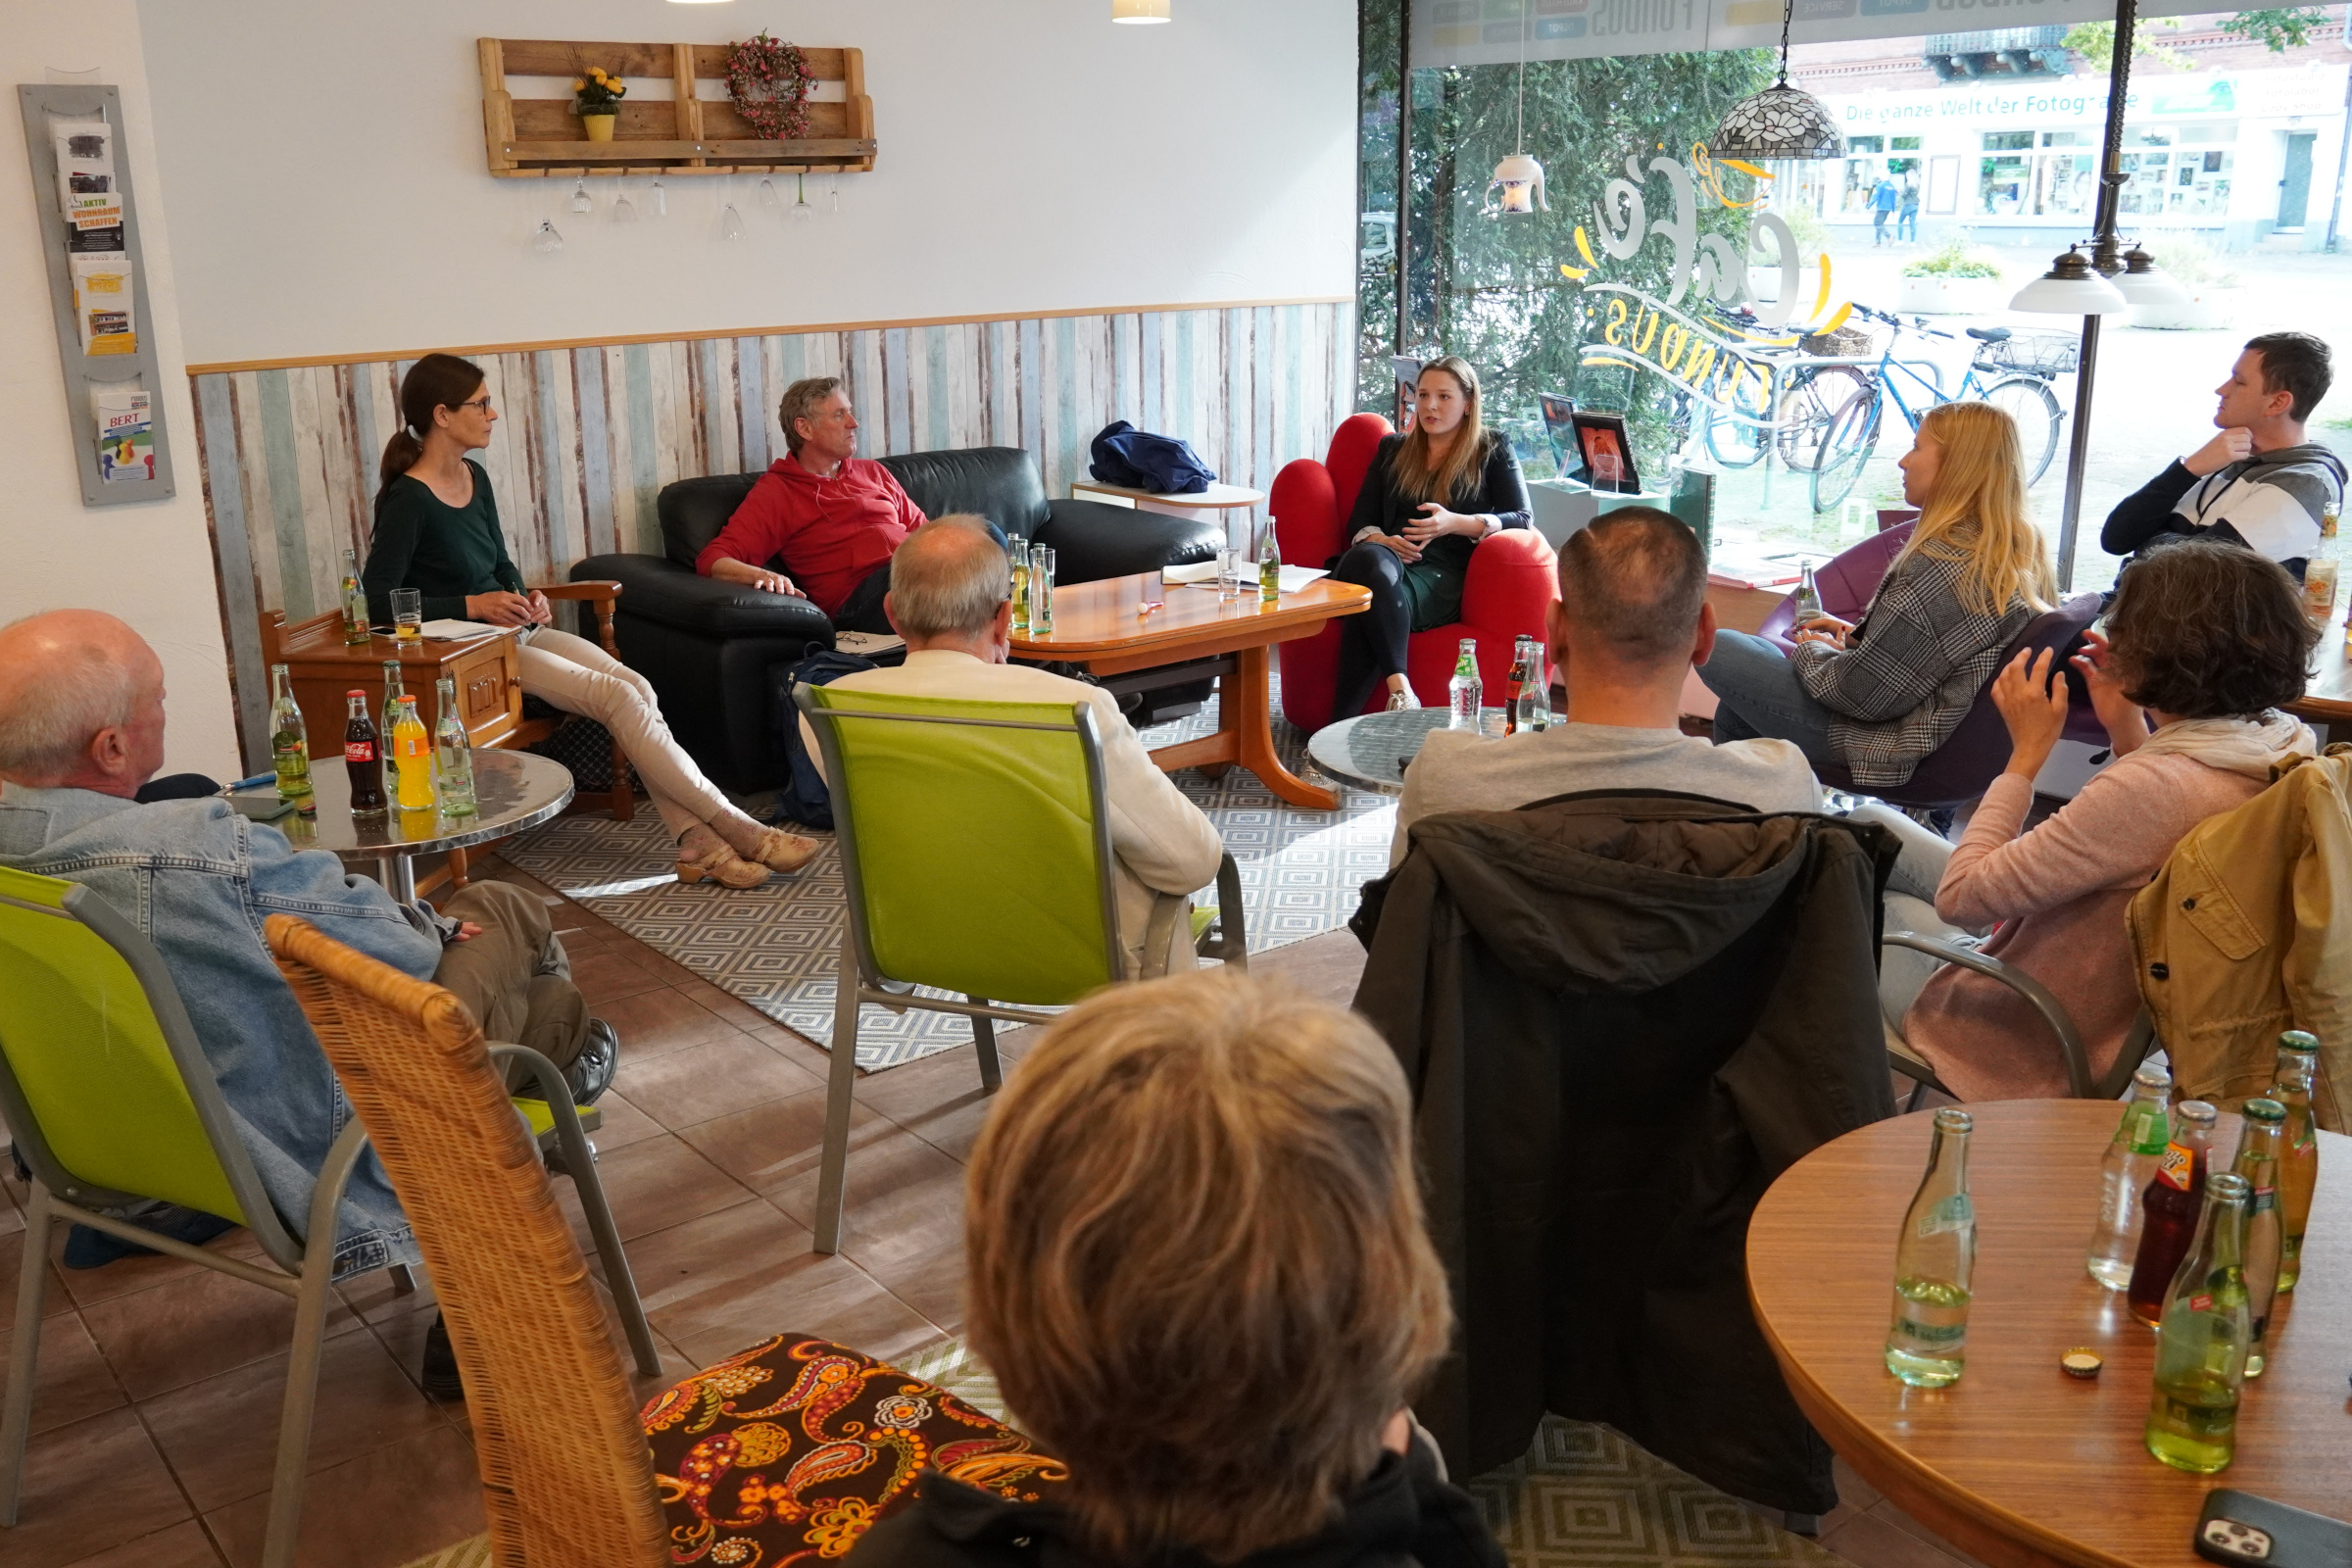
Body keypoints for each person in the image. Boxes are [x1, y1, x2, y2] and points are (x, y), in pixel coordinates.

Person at [0, 611, 616, 1283]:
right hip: (306, 1155)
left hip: (119, 1157)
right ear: (111, 748)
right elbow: (396, 950)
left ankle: (562, 1055)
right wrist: (424, 923)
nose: (165, 711)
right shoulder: (201, 851)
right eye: (159, 699)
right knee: (505, 915)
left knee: (526, 997)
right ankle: (558, 1080)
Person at [852, 970, 1502, 1568]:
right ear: (1403, 1304)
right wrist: (1412, 1484)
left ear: (1002, 1331)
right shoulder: (1432, 1524)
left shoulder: (906, 1553)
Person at [1872, 539, 2318, 1101]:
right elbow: (2153, 832)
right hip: (2077, 981)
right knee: (1871, 827)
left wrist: (2025, 756)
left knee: (1851, 901)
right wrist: (2126, 728)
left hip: (2019, 1033)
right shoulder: (2279, 744)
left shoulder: (2153, 788)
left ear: (2155, 652)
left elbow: (1962, 898)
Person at [363, 353, 815, 890]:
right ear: (442, 413)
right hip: (473, 656)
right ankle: (739, 828)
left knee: (637, 687)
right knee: (619, 698)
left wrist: (524, 593)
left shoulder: (473, 476)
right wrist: (471, 605)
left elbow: (498, 561)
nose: (493, 413)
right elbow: (377, 603)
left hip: (516, 631)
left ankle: (696, 842)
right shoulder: (410, 499)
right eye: (482, 403)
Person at [807, 517, 1223, 978]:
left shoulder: (827, 710)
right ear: (1004, 618)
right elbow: (1193, 861)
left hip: (916, 942)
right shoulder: (1077, 709)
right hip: (1084, 957)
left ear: (892, 613)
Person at [1393, 509, 1818, 865]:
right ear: (1706, 636)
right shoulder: (1783, 789)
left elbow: (1405, 942)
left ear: (1554, 633)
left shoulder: (1445, 779)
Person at [1697, 400, 2056, 791]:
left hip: (1892, 743)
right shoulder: (2010, 550)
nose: (1903, 461)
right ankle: (1760, 824)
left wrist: (1813, 648)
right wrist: (1859, 637)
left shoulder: (1943, 563)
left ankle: (1752, 827)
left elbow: (1863, 696)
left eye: (1917, 448)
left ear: (1958, 465)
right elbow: (1942, 652)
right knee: (1736, 710)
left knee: (1720, 646)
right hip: (1945, 734)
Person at [1327, 356, 1532, 723]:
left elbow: (1522, 518)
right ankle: (1401, 692)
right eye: (1422, 395)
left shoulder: (1492, 449)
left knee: (1367, 605)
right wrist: (1384, 540)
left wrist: (1456, 523)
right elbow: (1360, 520)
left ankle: (1327, 741)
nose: (1429, 406)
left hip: (1441, 575)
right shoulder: (1393, 449)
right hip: (1384, 562)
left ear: (1468, 404)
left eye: (1443, 396)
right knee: (1368, 560)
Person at [2101, 332, 2345, 581]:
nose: (2221, 390)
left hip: (2171, 618)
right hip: (2130, 609)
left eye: (2239, 381)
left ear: (2277, 402)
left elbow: (2188, 575)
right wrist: (2188, 470)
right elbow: (2116, 539)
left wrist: (2148, 544)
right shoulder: (2224, 458)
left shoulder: (2304, 483)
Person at [696, 375, 927, 635]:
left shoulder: (873, 471)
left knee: (976, 535)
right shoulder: (778, 491)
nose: (854, 423)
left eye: (850, 412)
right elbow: (713, 559)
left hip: (914, 572)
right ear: (804, 428)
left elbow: (929, 533)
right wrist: (764, 576)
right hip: (861, 598)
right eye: (839, 415)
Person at [1871, 174, 1898, 245]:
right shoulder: (1891, 186)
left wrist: (1868, 206)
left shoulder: (1880, 185)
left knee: (1877, 223)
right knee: (1880, 224)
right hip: (1888, 209)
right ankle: (1877, 242)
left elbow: (1875, 196)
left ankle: (1889, 236)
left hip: (1881, 207)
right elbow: (1893, 199)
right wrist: (1893, 210)